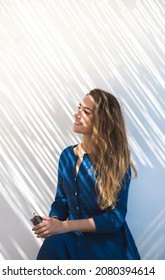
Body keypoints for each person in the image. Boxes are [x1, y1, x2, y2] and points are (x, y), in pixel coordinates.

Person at [33, 88, 140, 260]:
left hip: (106, 242)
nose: (77, 114)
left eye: (86, 111)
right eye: (79, 107)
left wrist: (65, 226)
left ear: (102, 122)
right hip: (73, 236)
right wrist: (53, 222)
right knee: (52, 246)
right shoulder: (67, 156)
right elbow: (62, 200)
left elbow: (115, 218)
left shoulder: (117, 162)